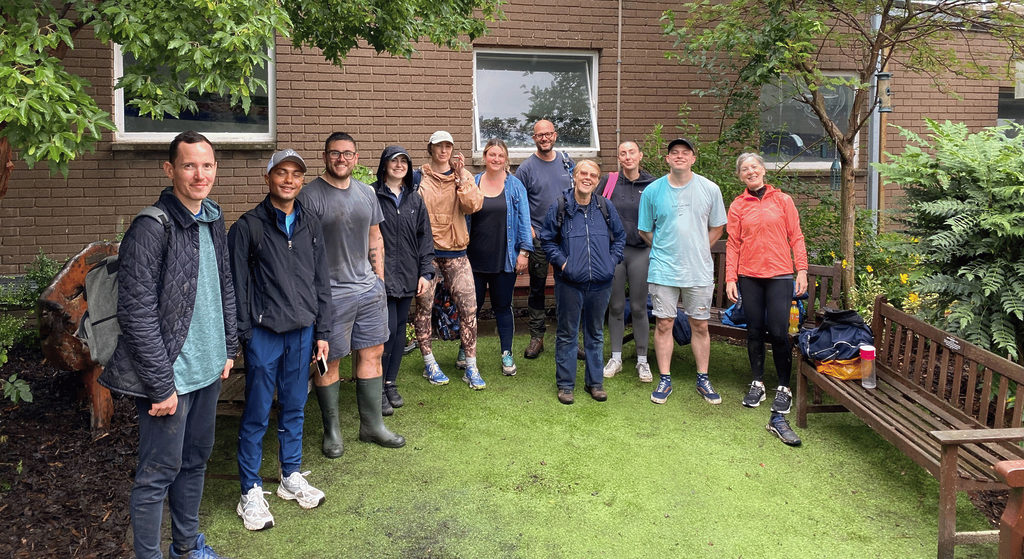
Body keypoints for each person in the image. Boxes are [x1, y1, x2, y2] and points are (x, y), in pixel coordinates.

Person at [99, 131, 237, 559]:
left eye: (208, 165)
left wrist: (228, 348)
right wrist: (160, 385)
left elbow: (225, 287)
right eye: (190, 165)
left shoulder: (214, 218)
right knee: (157, 474)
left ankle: (185, 546)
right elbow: (136, 314)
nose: (200, 174)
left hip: (208, 368)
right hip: (170, 377)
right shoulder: (151, 227)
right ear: (170, 169)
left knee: (195, 463)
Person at [228, 149, 331, 531]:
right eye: (281, 173)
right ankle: (250, 490)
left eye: (296, 174)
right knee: (256, 412)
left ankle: (290, 476)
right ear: (268, 177)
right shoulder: (248, 226)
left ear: (302, 180)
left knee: (294, 405)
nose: (289, 180)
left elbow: (322, 281)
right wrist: (243, 335)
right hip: (263, 333)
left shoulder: (311, 223)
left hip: (303, 331)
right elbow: (236, 286)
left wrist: (323, 332)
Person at [299, 132, 405, 458]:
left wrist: (379, 283)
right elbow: (301, 252)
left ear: (356, 158)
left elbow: (376, 237)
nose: (341, 159)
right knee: (328, 361)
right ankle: (332, 430)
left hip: (368, 291)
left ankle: (371, 426)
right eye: (335, 153)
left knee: (372, 355)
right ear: (325, 156)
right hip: (330, 296)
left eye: (347, 154)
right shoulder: (310, 196)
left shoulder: (366, 194)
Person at [726, 152, 807, 446]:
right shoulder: (737, 205)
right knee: (755, 331)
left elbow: (796, 237)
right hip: (750, 276)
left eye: (754, 167)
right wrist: (730, 278)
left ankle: (783, 387)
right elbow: (734, 243)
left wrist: (802, 271)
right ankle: (757, 382)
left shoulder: (783, 201)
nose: (750, 172)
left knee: (779, 332)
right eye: (744, 169)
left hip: (780, 275)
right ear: (740, 176)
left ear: (763, 170)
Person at [638, 138, 727, 406]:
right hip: (663, 269)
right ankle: (665, 378)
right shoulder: (653, 191)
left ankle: (703, 377)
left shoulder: (710, 189)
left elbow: (717, 228)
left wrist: (698, 249)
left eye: (685, 153)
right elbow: (644, 229)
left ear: (693, 159)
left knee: (699, 324)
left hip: (698, 270)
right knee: (664, 323)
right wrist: (666, 250)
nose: (679, 156)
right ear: (667, 159)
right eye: (674, 153)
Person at [539, 160, 625, 404]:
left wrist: (610, 263)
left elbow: (619, 238)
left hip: (601, 283)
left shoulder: (605, 207)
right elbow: (547, 240)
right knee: (567, 334)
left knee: (595, 333)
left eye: (593, 175)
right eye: (583, 173)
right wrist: (565, 264)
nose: (588, 178)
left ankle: (595, 383)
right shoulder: (560, 207)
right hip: (569, 283)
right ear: (574, 177)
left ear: (598, 181)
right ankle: (566, 385)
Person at [411, 130, 484, 388]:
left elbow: (473, 206)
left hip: (457, 253)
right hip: (427, 256)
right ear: (430, 148)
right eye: (438, 146)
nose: (443, 151)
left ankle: (471, 366)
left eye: (448, 146)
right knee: (424, 308)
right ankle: (429, 362)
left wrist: (461, 178)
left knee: (469, 309)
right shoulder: (418, 178)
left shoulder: (463, 176)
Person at [373, 145, 434, 415]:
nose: (399, 166)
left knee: (398, 331)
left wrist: (425, 272)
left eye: (404, 162)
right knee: (383, 333)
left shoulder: (414, 199)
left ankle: (390, 383)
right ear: (384, 165)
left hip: (408, 275)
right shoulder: (372, 195)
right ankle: (375, 389)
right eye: (394, 161)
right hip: (380, 278)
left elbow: (425, 239)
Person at [468, 138, 532, 375]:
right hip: (473, 260)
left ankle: (506, 353)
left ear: (506, 160)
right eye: (491, 154)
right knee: (470, 309)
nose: (496, 159)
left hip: (504, 258)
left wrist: (524, 252)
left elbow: (525, 220)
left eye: (500, 155)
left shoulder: (515, 186)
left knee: (503, 307)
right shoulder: (473, 182)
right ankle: (467, 349)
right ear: (484, 157)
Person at [597, 140, 657, 383]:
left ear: (640, 155)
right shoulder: (609, 182)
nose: (627, 156)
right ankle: (616, 358)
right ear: (619, 158)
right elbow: (595, 209)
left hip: (641, 252)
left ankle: (643, 361)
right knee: (616, 307)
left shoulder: (653, 185)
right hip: (615, 253)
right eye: (623, 153)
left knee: (640, 307)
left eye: (632, 152)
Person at [515, 119, 575, 359]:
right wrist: (527, 228)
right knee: (537, 287)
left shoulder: (567, 162)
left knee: (568, 286)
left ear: (555, 135)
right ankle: (537, 337)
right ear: (534, 138)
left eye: (548, 134)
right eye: (539, 135)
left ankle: (568, 338)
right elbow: (517, 202)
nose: (544, 138)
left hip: (567, 236)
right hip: (540, 236)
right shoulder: (526, 168)